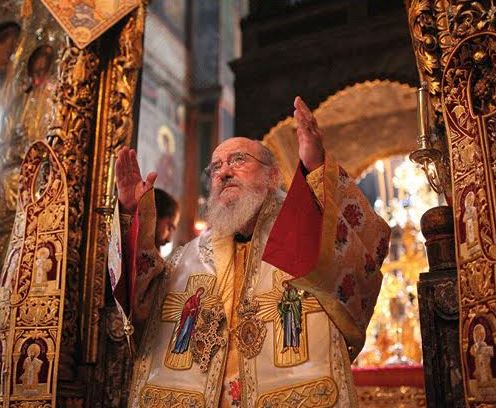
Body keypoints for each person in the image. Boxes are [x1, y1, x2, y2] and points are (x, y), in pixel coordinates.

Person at [111, 96, 390, 407]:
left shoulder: (304, 236)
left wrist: (317, 167)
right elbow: (142, 305)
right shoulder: (189, 257)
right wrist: (130, 216)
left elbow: (366, 250)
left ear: (272, 176)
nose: (224, 172)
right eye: (216, 166)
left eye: (239, 160)